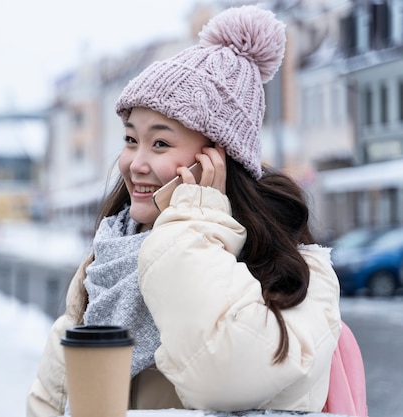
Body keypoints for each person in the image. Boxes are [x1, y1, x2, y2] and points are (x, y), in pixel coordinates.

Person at [27, 5, 341, 416]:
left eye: (160, 144)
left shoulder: (297, 276)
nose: (135, 163)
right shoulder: (106, 265)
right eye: (129, 139)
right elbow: (51, 403)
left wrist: (193, 225)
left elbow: (222, 379)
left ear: (218, 158)